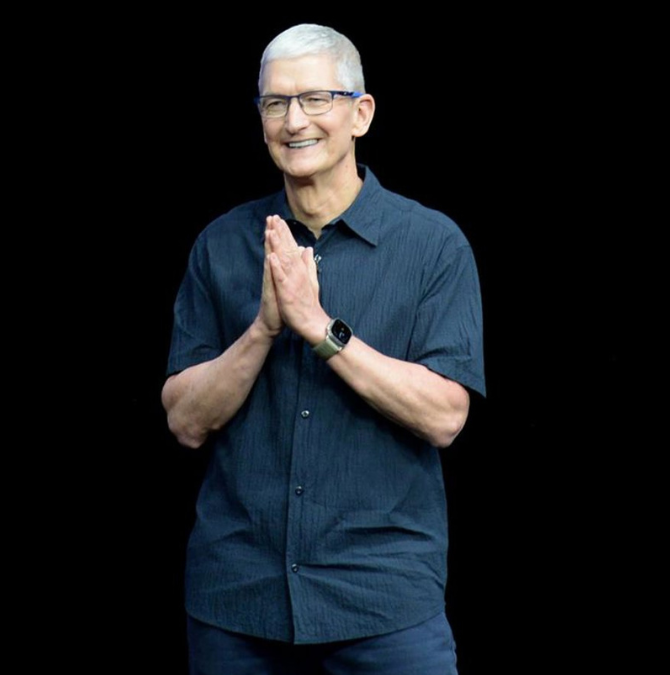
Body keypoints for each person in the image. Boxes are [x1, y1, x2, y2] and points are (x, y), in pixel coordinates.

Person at [161, 24, 485, 675]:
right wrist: (263, 329)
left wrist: (318, 327)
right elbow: (185, 420)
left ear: (361, 113)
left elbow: (445, 416)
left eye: (315, 99)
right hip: (238, 605)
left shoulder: (432, 245)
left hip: (383, 605)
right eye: (275, 103)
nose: (294, 121)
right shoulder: (221, 244)